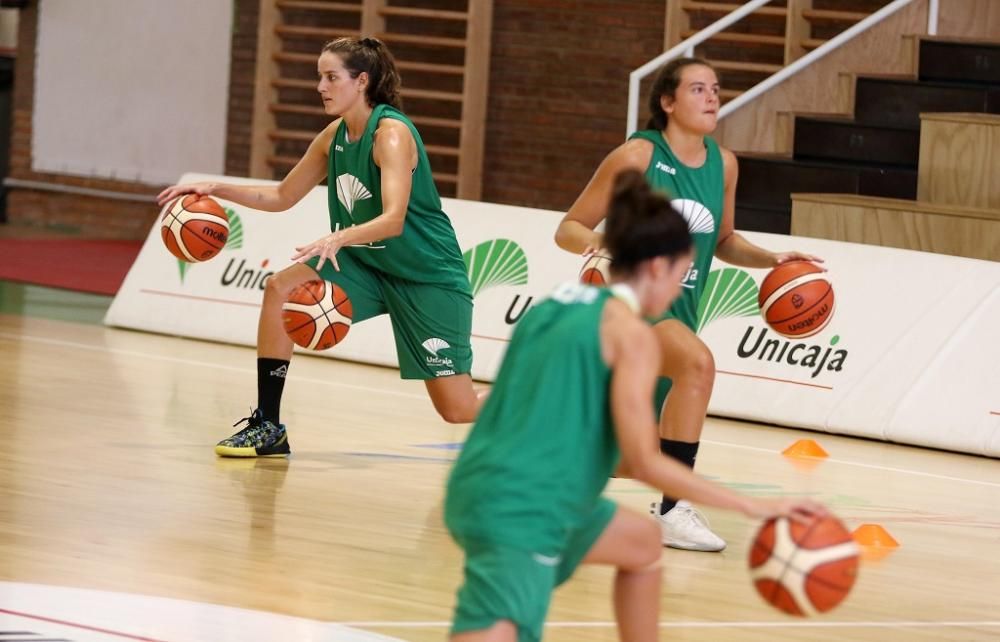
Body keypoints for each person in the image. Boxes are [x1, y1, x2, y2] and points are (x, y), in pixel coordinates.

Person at [445, 170, 824, 642]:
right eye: (684, 272)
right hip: (524, 507)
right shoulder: (632, 336)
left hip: (483, 484)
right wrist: (751, 505)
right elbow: (645, 462)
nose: (682, 289)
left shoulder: (553, 305)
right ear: (658, 268)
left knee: (642, 544)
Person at [157, 37, 484, 456]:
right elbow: (281, 197)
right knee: (280, 288)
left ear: (361, 81)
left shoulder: (392, 136)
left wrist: (340, 236)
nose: (321, 87)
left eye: (331, 77)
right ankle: (268, 425)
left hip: (426, 275)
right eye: (320, 77)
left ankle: (537, 399)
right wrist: (214, 188)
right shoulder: (334, 137)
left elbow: (393, 218)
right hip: (368, 265)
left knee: (458, 409)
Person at [555, 58, 822, 551]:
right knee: (698, 364)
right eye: (698, 89)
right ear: (668, 102)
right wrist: (599, 240)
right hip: (628, 307)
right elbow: (567, 228)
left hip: (680, 309)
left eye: (716, 89)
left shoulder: (724, 164)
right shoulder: (636, 155)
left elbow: (722, 240)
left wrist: (772, 259)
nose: (711, 97)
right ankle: (675, 508)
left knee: (626, 457)